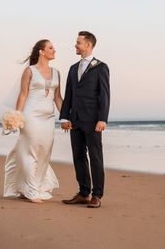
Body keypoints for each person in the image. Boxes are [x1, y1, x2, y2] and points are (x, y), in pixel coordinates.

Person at [4, 39, 62, 203]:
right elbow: (22, 95)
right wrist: (17, 117)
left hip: (48, 117)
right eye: (51, 48)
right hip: (31, 115)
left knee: (44, 151)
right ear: (42, 52)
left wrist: (65, 116)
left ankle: (29, 187)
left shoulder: (57, 72)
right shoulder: (29, 71)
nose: (54, 50)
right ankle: (31, 190)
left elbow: (58, 98)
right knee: (29, 150)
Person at [60, 31, 110, 209]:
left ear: (88, 45)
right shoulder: (73, 68)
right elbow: (69, 94)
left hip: (93, 120)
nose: (75, 45)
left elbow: (104, 96)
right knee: (78, 156)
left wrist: (102, 119)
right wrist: (65, 117)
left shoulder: (101, 67)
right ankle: (83, 193)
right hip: (75, 120)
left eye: (78, 43)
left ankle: (97, 195)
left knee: (96, 157)